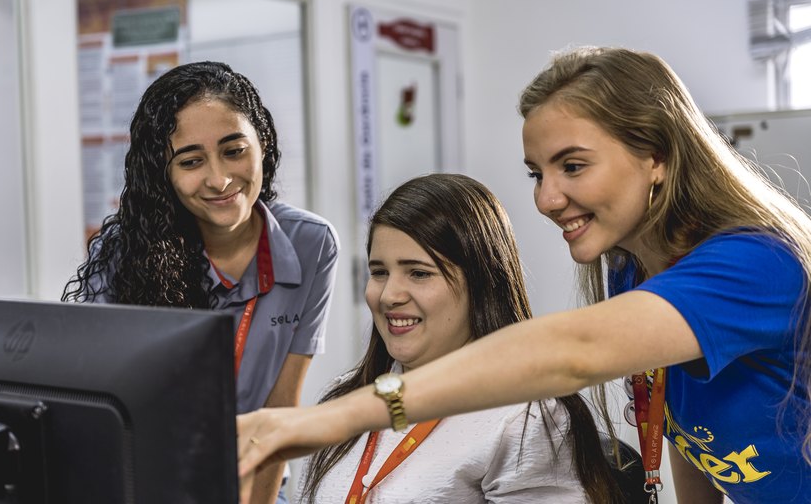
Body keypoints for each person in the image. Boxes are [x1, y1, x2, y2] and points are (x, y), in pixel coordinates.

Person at [236, 46, 811, 504]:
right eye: (537, 172)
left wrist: (328, 418)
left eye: (573, 166)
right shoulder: (632, 267)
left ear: (655, 155)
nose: (547, 197)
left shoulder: (756, 263)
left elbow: (571, 352)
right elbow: (691, 427)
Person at [61, 61, 339, 504]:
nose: (220, 178)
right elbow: (92, 406)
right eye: (191, 161)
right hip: (147, 482)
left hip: (251, 483)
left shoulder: (311, 244)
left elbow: (281, 404)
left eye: (234, 150)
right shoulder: (124, 252)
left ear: (262, 144)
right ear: (163, 173)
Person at [296, 173, 635, 503]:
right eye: (379, 272)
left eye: (418, 273)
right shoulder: (348, 398)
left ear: (481, 284)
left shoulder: (524, 418)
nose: (389, 295)